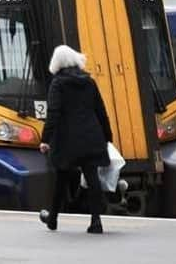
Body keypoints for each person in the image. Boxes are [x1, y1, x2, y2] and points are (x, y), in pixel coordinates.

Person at [39, 45, 113, 234]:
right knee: (92, 176)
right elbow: (100, 110)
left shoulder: (58, 83)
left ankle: (53, 219)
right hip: (91, 136)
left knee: (61, 178)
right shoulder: (89, 81)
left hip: (67, 140)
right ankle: (96, 222)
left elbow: (53, 113)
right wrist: (107, 136)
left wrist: (45, 139)